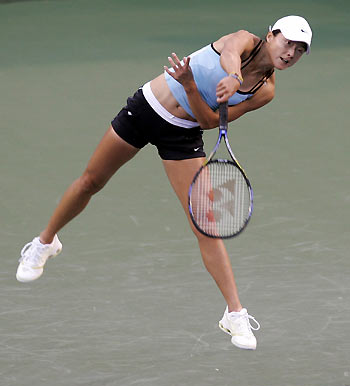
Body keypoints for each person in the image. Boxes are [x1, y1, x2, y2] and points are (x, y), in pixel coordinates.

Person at [16, 15, 312, 350]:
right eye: (288, 43)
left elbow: (209, 120)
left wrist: (189, 85)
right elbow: (230, 54)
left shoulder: (265, 91)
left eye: (300, 50)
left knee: (206, 224)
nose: (291, 53)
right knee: (91, 181)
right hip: (146, 109)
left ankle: (235, 313)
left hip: (183, 136)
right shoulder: (243, 39)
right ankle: (45, 242)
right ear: (271, 35)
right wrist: (232, 76)